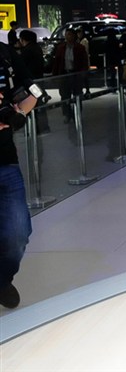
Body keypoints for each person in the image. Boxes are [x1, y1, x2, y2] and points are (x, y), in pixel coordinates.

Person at [0, 40, 40, 309]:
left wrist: (19, 113)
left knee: (18, 233)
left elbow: (32, 90)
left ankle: (2, 279)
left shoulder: (4, 53)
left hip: (5, 160)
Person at [52, 28, 89, 122]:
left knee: (77, 95)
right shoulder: (61, 48)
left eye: (69, 34)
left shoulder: (80, 48)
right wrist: (55, 74)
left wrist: (83, 73)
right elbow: (57, 62)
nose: (67, 36)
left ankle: (77, 114)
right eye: (66, 34)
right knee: (64, 96)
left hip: (76, 74)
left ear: (74, 36)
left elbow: (84, 61)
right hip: (64, 74)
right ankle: (67, 114)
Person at [17, 30, 50, 133]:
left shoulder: (27, 50)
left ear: (23, 39)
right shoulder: (37, 48)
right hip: (38, 79)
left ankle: (33, 129)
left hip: (30, 82)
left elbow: (21, 66)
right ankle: (43, 127)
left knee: (31, 105)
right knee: (39, 105)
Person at [75, 27, 91, 97]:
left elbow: (85, 51)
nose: (79, 34)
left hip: (84, 61)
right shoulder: (78, 41)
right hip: (79, 62)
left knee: (85, 77)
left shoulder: (84, 41)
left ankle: (87, 90)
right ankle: (82, 90)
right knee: (82, 78)